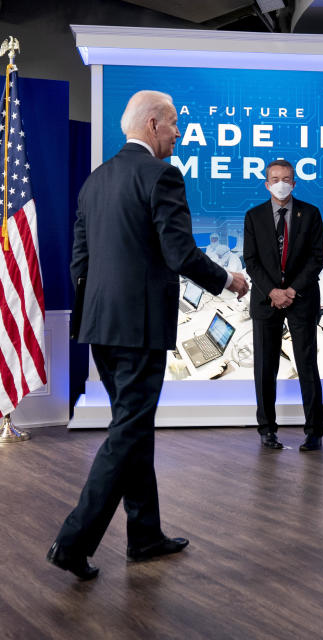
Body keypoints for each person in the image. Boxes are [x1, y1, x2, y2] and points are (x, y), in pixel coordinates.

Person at [49, 90, 249, 581]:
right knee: (128, 432)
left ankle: (144, 534)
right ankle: (72, 542)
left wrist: (97, 306)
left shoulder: (95, 181)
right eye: (176, 123)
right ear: (154, 124)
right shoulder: (163, 175)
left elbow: (80, 260)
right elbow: (180, 253)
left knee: (131, 427)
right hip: (139, 328)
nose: (179, 132)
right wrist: (228, 281)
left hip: (101, 325)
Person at [243, 159, 323, 451]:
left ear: (294, 182)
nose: (281, 183)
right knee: (266, 367)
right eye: (275, 178)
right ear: (267, 184)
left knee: (306, 364)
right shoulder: (253, 216)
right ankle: (267, 429)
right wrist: (273, 292)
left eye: (286, 178)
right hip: (266, 301)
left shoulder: (311, 214)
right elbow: (250, 261)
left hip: (301, 299)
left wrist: (291, 290)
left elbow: (316, 259)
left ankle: (314, 431)